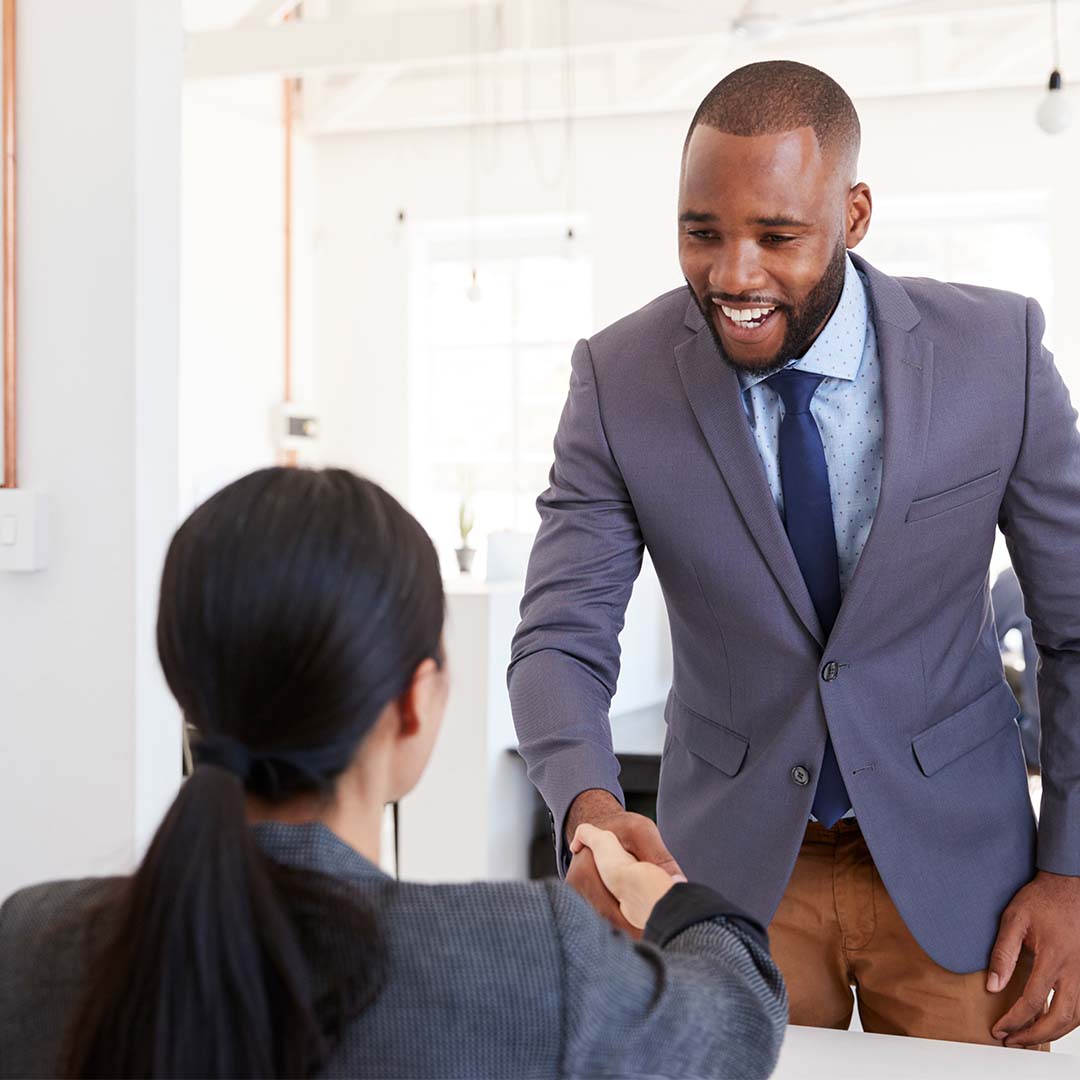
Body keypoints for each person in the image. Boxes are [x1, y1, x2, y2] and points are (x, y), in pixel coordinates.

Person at [509, 60, 1080, 1050]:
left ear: (853, 215)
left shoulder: (996, 353)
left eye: (777, 237)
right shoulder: (617, 379)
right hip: (726, 872)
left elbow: (1074, 630)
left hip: (961, 868)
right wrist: (590, 811)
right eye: (702, 233)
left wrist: (1072, 869)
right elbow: (559, 639)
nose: (734, 275)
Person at [0, 467, 785, 1080]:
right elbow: (739, 1025)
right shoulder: (524, 958)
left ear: (188, 693)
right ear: (414, 703)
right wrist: (671, 902)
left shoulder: (31, 942)